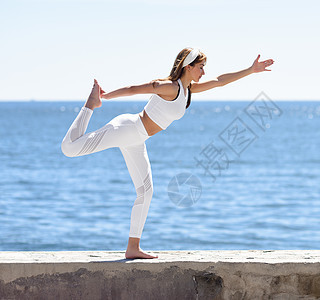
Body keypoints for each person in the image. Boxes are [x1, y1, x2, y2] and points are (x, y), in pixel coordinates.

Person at [61, 47, 274, 259]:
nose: (204, 72)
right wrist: (106, 97)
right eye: (201, 67)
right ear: (188, 67)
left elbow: (219, 81)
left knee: (146, 192)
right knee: (69, 148)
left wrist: (250, 70)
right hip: (126, 129)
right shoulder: (170, 87)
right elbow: (135, 88)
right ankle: (90, 104)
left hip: (137, 139)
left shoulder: (188, 90)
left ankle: (133, 247)